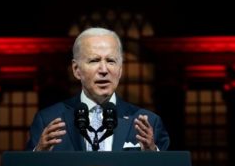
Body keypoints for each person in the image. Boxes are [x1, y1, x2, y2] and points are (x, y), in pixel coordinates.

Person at [26, 27, 169, 152]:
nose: (104, 70)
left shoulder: (149, 123)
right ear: (76, 70)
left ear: (119, 70)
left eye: (111, 61)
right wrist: (39, 155)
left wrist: (152, 155)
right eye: (94, 60)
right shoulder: (48, 120)